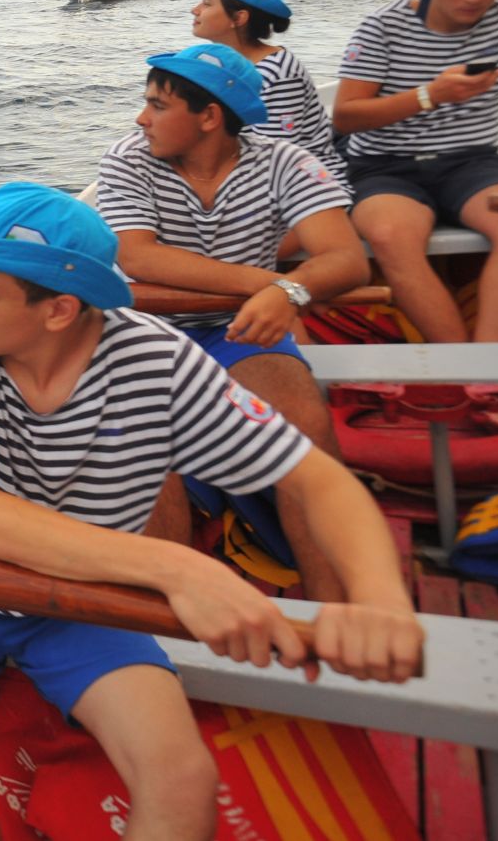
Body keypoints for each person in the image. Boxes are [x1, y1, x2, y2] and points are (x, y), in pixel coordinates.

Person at [0, 183, 419, 841]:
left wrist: (382, 599)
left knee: (181, 777)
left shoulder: (160, 364)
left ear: (61, 310)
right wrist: (179, 570)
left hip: (74, 593)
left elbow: (321, 481)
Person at [96, 43, 365, 599]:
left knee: (307, 431)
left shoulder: (285, 162)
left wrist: (286, 295)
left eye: (157, 106)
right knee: (139, 452)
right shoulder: (129, 158)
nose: (141, 118)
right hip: (144, 333)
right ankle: (157, 621)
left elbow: (346, 258)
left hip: (238, 331)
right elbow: (137, 257)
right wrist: (276, 288)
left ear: (209, 116)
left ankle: (338, 617)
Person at [334, 0, 498, 342]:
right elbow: (346, 117)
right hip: (386, 166)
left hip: (473, 163)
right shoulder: (382, 28)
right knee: (392, 237)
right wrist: (431, 94)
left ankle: (487, 371)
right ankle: (466, 371)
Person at [189, 0, 349, 185]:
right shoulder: (224, 67)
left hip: (308, 188)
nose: (195, 10)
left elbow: (274, 161)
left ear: (239, 17)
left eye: (206, 4)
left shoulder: (277, 73)